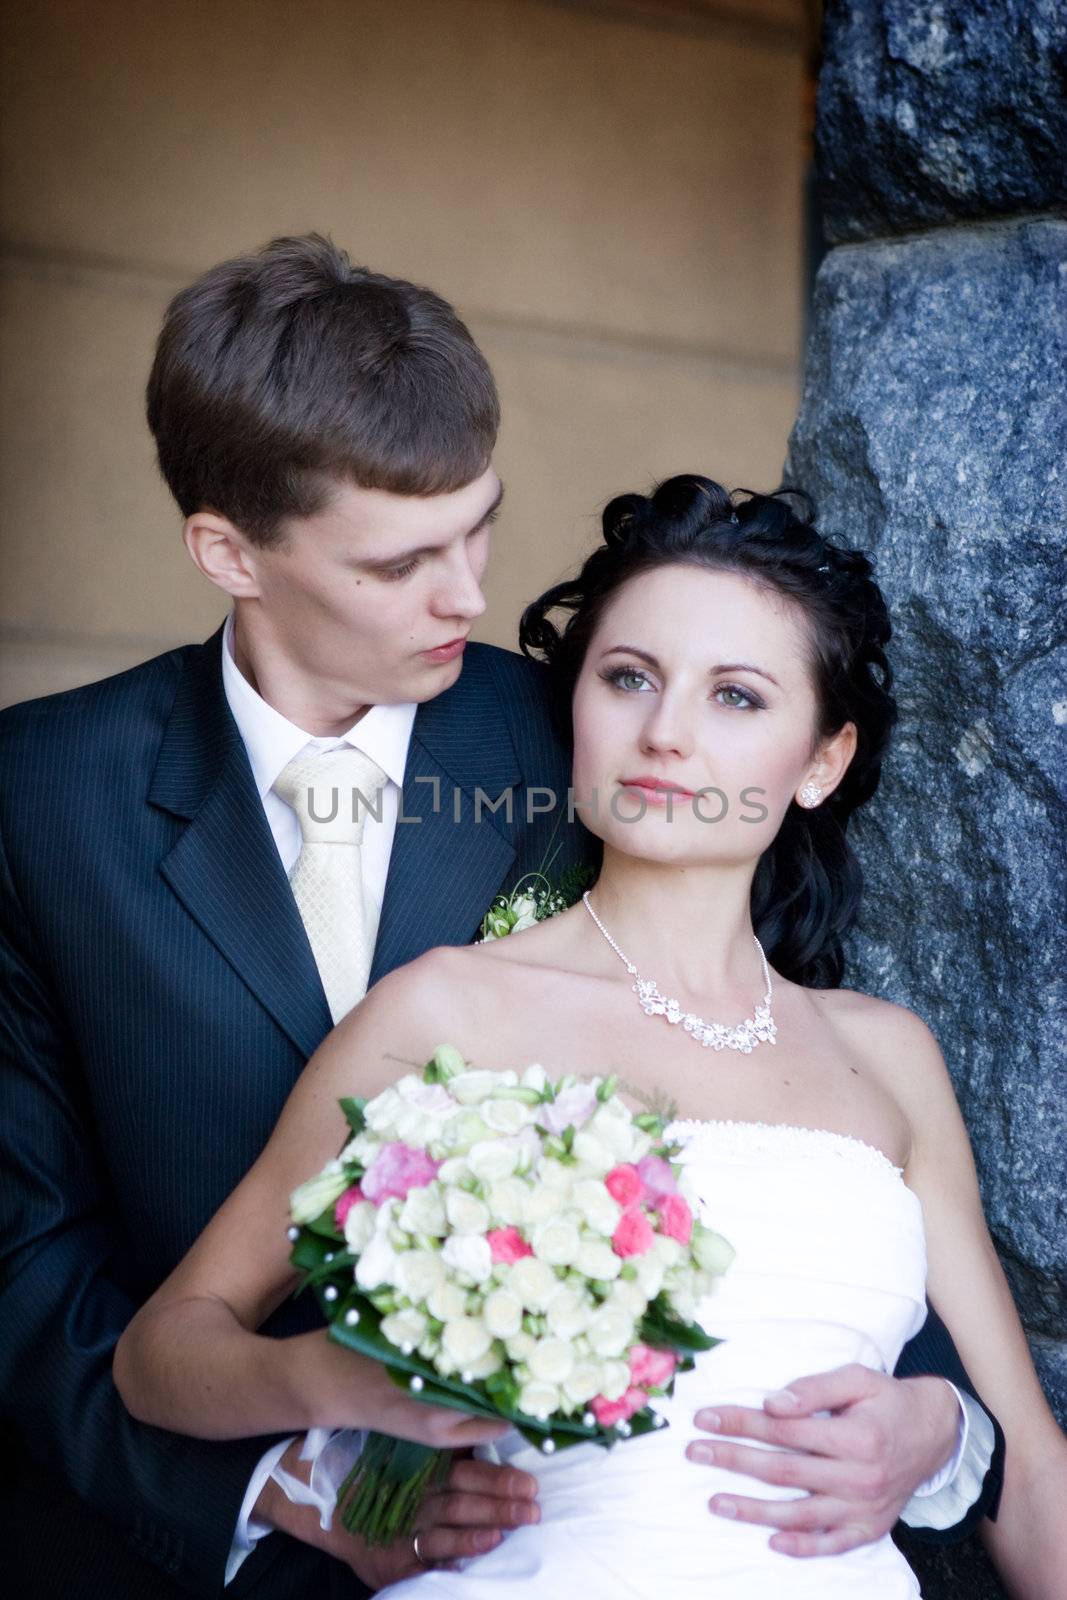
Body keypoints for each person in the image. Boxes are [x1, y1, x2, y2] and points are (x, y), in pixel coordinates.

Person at [0, 234, 998, 1596]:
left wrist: (941, 1423)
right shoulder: (40, 795)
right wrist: (276, 1477)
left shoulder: (595, 727)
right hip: (193, 1538)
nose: (468, 594)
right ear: (228, 551)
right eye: (401, 560)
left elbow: (795, 1107)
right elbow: (23, 1249)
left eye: (478, 525)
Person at [112, 473, 1064, 1597]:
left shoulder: (885, 1052)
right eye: (627, 679)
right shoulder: (447, 1012)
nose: (663, 734)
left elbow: (1036, 1486)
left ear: (822, 762)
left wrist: (947, 1432)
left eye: (736, 698)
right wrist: (340, 1387)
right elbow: (163, 1347)